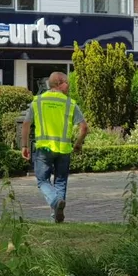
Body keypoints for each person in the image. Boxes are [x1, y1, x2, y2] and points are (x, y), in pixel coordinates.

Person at [20, 71, 87, 223]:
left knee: (42, 180)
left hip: (44, 149)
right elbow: (84, 128)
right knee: (61, 181)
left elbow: (26, 124)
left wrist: (24, 145)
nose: (69, 86)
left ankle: (55, 203)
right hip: (64, 150)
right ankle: (56, 213)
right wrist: (78, 144)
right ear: (59, 83)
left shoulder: (37, 101)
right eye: (67, 83)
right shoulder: (70, 104)